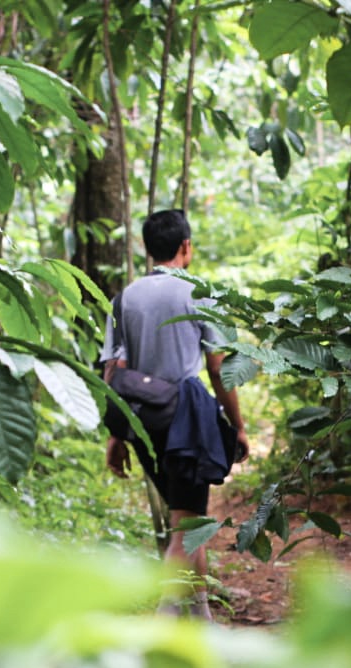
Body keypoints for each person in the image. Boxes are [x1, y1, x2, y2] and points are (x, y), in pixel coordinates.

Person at [102, 209, 249, 619]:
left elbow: (115, 371)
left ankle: (200, 620)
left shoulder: (124, 297)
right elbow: (218, 367)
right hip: (185, 419)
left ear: (147, 249)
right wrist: (238, 426)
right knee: (187, 527)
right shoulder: (197, 291)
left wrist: (117, 436)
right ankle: (163, 623)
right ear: (186, 247)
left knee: (189, 520)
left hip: (143, 422)